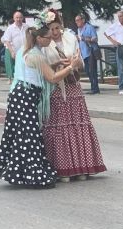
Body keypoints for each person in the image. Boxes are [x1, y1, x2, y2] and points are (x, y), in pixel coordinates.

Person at [0, 25, 62, 189]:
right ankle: (33, 175)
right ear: (39, 39)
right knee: (30, 134)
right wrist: (71, 67)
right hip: (26, 95)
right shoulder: (35, 54)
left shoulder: (24, 50)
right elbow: (52, 78)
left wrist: (56, 63)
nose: (51, 39)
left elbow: (39, 71)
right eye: (48, 37)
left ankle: (17, 172)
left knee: (17, 134)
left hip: (18, 94)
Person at [42, 10, 107, 181]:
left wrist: (75, 62)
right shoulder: (45, 44)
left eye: (57, 28)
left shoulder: (70, 38)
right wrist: (57, 64)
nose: (55, 32)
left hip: (72, 85)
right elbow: (44, 67)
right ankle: (63, 167)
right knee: (60, 126)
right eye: (52, 29)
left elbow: (81, 62)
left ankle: (81, 166)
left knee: (77, 124)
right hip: (56, 86)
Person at [74, 14, 101, 94]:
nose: (77, 22)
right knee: (88, 71)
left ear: (83, 20)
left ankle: (95, 89)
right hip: (84, 53)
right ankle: (93, 87)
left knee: (92, 70)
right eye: (76, 21)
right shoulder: (79, 29)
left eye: (78, 20)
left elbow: (95, 38)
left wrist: (84, 38)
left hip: (91, 51)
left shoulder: (89, 27)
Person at [1, 11, 27, 82]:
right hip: (13, 49)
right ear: (14, 18)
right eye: (17, 18)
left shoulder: (26, 27)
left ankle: (22, 78)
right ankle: (11, 79)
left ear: (22, 18)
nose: (18, 19)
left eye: (20, 17)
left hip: (24, 49)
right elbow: (7, 40)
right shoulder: (10, 28)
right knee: (11, 64)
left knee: (23, 65)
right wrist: (12, 51)